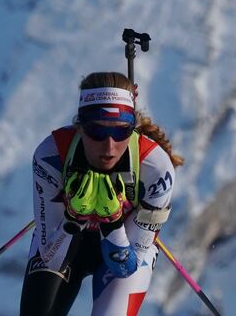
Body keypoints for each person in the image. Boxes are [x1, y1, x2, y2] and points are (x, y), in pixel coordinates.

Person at [20, 72, 182, 316]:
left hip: (126, 244)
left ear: (132, 128)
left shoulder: (156, 168)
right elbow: (50, 257)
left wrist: (113, 222)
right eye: (96, 131)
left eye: (120, 132)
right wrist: (73, 221)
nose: (109, 146)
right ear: (80, 126)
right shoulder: (52, 155)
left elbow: (127, 267)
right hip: (66, 243)